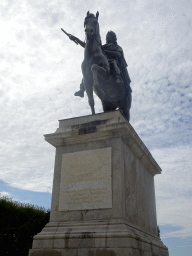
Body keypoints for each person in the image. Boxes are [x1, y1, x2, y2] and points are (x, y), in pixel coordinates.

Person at [68, 31, 131, 98]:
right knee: (88, 69)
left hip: (111, 61)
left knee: (113, 63)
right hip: (102, 63)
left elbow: (118, 54)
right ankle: (82, 89)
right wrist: (75, 38)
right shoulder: (102, 46)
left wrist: (106, 51)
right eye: (107, 36)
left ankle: (117, 77)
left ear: (113, 38)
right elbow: (87, 46)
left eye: (109, 36)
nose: (107, 37)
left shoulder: (116, 47)